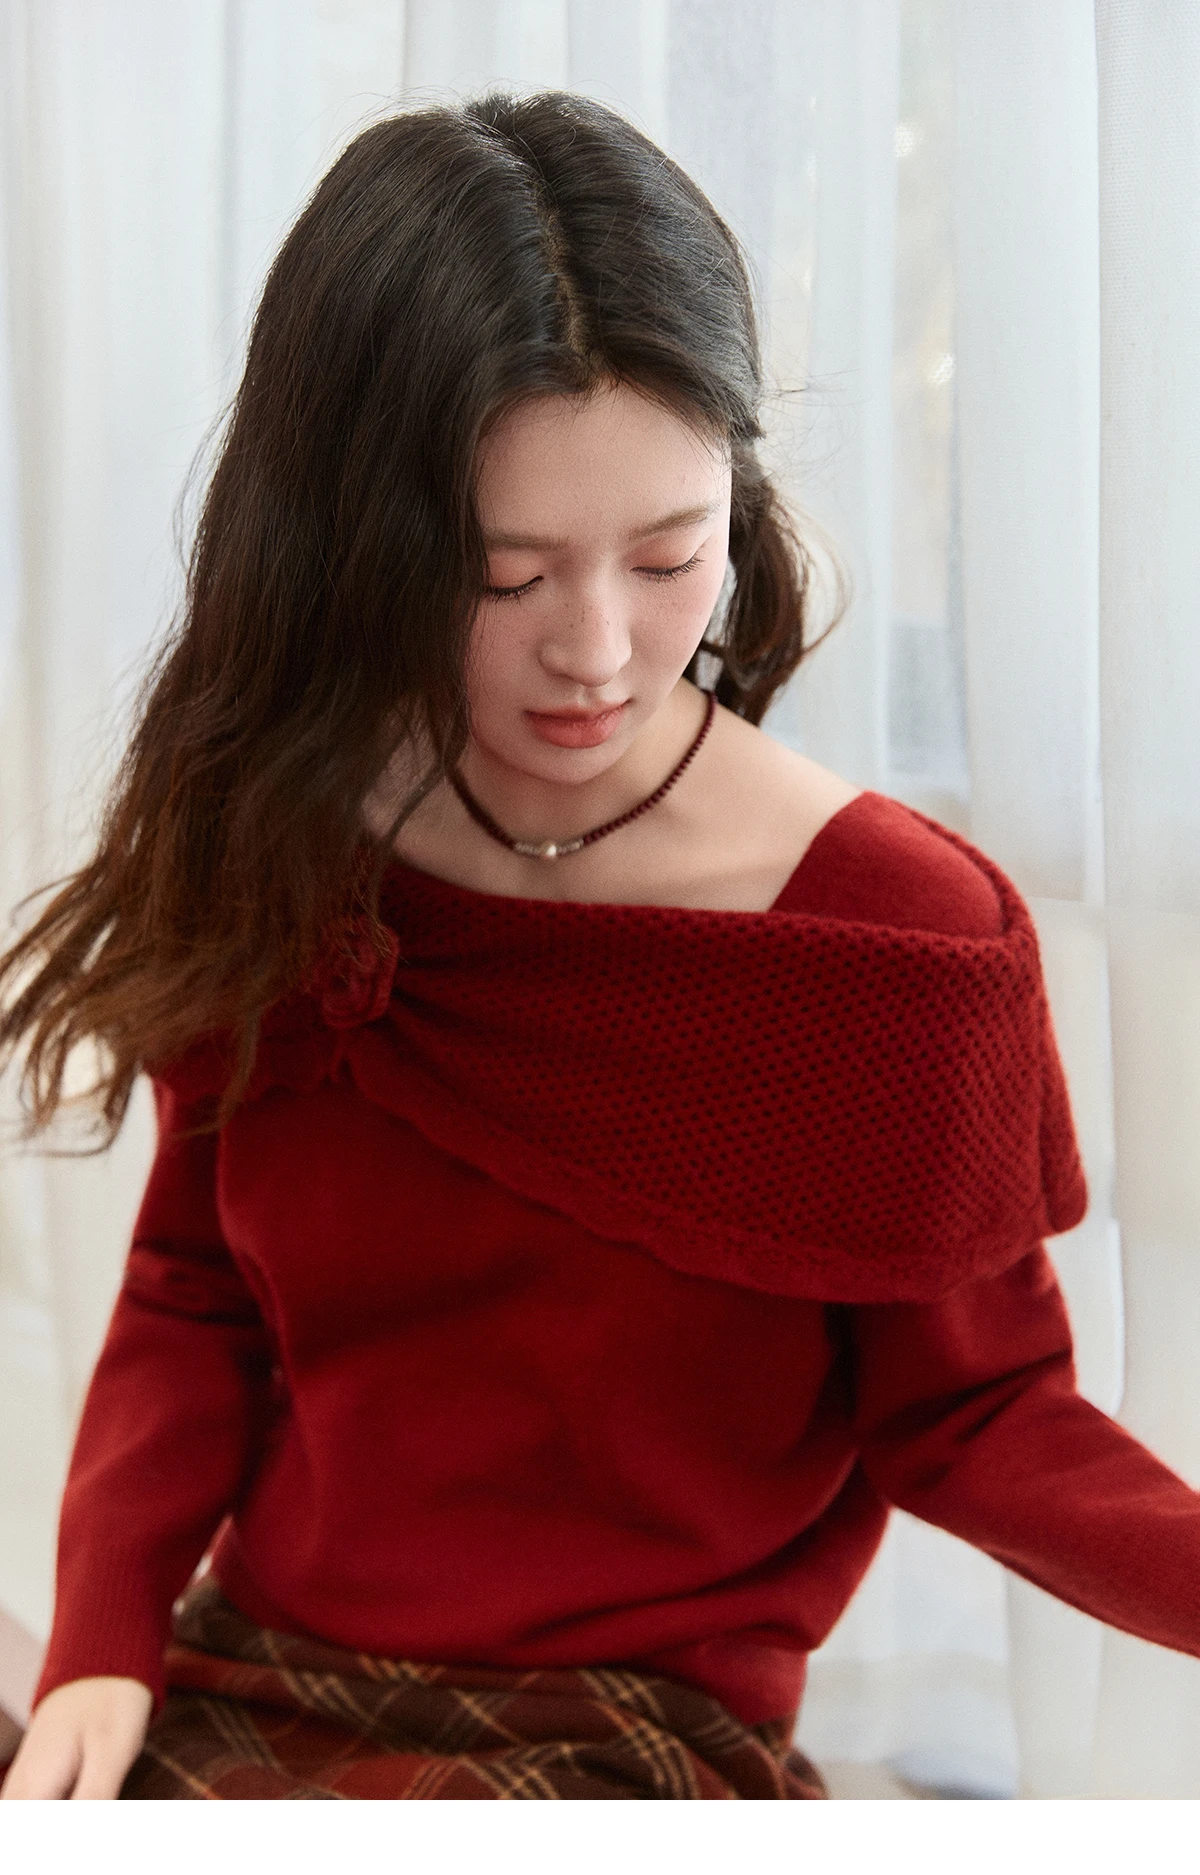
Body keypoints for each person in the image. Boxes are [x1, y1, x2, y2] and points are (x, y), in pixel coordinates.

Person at [2, 88, 1199, 1804]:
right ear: (348, 541)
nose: (599, 649)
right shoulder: (291, 828)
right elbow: (193, 1294)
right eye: (507, 576)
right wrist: (99, 1641)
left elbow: (980, 1414)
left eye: (667, 556)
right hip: (252, 1671)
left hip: (619, 1745)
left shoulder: (896, 943)